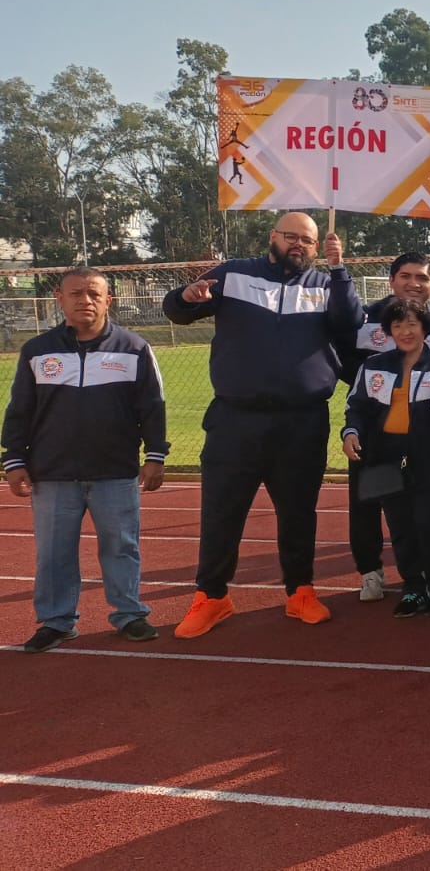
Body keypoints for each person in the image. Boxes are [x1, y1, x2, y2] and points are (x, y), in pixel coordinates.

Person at [163, 211, 362, 637]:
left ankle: (300, 591)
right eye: (291, 236)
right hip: (236, 419)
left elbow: (350, 325)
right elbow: (177, 312)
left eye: (306, 241)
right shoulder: (234, 274)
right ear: (272, 237)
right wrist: (186, 295)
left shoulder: (326, 284)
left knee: (297, 513)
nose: (298, 245)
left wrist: (339, 268)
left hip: (302, 421)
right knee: (221, 512)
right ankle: (212, 597)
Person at [3, 268, 167, 652]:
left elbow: (153, 408)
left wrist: (155, 455)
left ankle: (129, 615)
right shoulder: (37, 350)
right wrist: (14, 460)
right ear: (59, 298)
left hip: (115, 471)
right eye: (76, 293)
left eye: (94, 293)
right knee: (54, 552)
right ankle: (57, 621)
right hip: (53, 473)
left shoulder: (134, 348)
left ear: (108, 300)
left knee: (121, 546)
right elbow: (19, 411)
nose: (85, 301)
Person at [339, 252, 430, 603]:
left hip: (426, 446)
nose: (413, 283)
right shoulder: (363, 321)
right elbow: (351, 377)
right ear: (391, 281)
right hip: (377, 442)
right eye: (405, 276)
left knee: (429, 515)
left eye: (422, 277)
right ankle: (373, 573)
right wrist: (356, 426)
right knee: (376, 511)